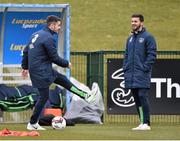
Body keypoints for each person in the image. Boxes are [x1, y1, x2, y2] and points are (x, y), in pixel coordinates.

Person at [21, 15, 97, 130]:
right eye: (58, 25)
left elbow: (26, 51)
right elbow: (54, 57)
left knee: (61, 81)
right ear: (52, 25)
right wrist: (66, 63)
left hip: (40, 70)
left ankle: (85, 96)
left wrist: (25, 67)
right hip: (42, 71)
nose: (59, 28)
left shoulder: (35, 34)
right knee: (44, 96)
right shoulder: (48, 38)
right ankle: (32, 123)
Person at [123, 14, 157, 130]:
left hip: (142, 73)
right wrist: (125, 68)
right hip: (131, 74)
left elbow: (152, 54)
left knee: (143, 96)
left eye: (135, 21)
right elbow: (126, 55)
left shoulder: (148, 37)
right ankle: (142, 122)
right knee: (137, 98)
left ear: (141, 23)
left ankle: (146, 123)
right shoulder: (130, 39)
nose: (133, 23)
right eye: (132, 21)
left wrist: (144, 68)